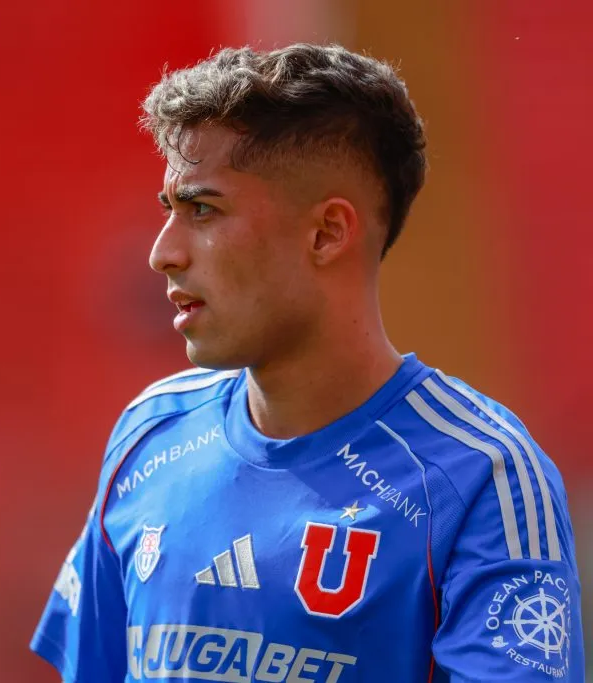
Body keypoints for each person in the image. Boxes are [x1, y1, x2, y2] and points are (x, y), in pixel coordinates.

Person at [30, 43, 583, 682]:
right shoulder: (150, 435)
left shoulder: (481, 476)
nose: (162, 253)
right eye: (168, 211)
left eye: (202, 209)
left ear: (327, 233)